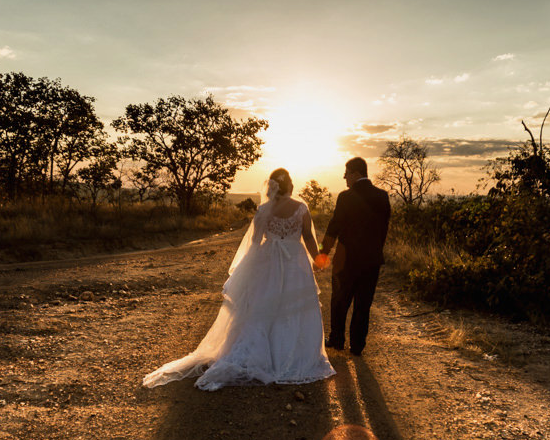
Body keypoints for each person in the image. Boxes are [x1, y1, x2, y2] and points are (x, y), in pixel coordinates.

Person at [143, 168, 335, 391]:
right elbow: (310, 237)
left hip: (268, 261)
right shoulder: (301, 208)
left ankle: (262, 356)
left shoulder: (264, 209)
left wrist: (254, 264)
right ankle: (295, 357)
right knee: (295, 307)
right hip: (296, 262)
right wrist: (319, 259)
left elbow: (254, 241)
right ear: (290, 185)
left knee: (263, 307)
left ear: (271, 186)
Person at [318, 157, 391, 356]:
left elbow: (333, 228)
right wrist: (376, 249)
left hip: (346, 259)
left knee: (339, 300)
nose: (344, 178)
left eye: (346, 174)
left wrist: (322, 253)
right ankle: (357, 346)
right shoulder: (382, 196)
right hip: (372, 260)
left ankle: (337, 339)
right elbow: (383, 230)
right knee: (363, 304)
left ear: (356, 173)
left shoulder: (345, 197)